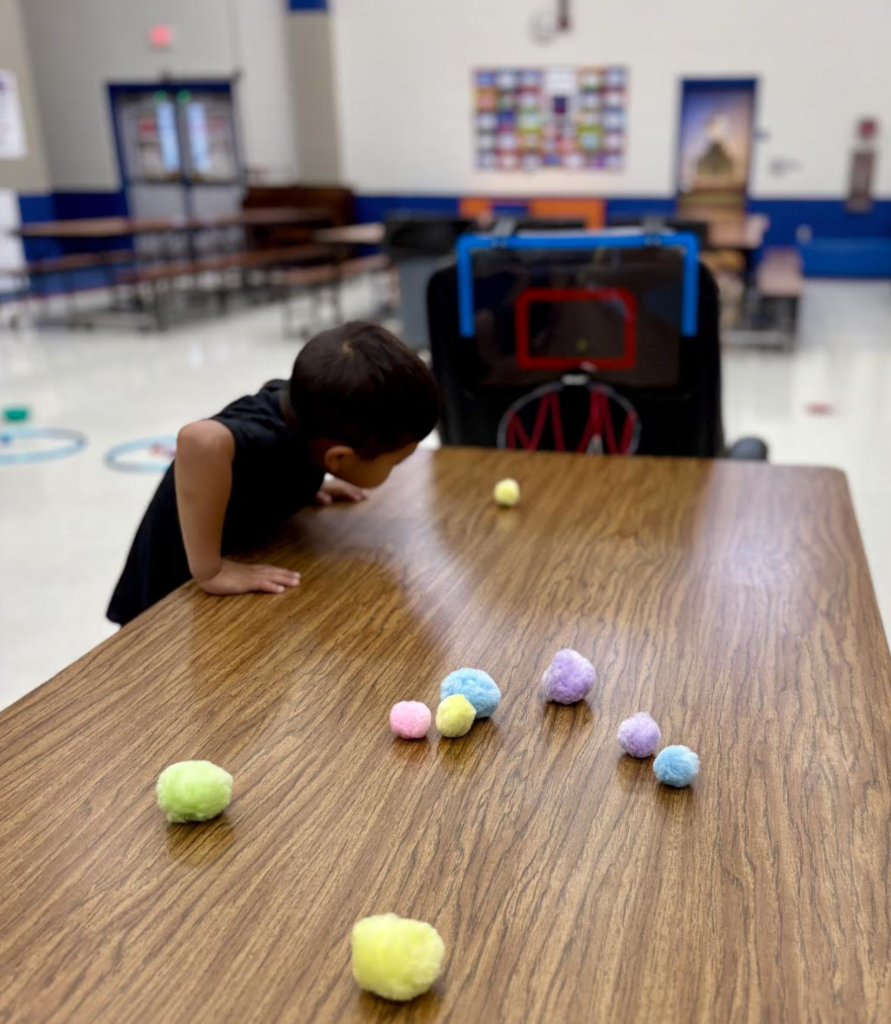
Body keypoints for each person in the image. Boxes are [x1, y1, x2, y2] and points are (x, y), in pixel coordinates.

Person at [107, 321, 439, 626]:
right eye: (396, 462)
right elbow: (199, 441)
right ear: (338, 458)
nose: (398, 468)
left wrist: (306, 485)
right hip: (172, 591)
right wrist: (210, 571)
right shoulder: (267, 438)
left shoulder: (309, 414)